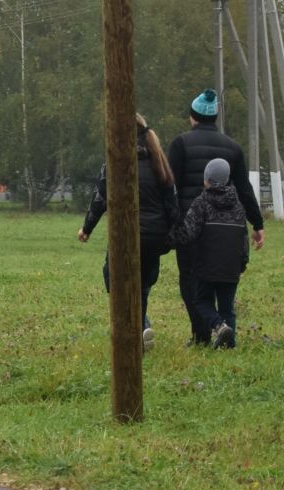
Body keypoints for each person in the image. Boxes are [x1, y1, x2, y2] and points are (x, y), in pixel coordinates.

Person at [167, 89, 265, 345]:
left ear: (192, 117)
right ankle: (223, 330)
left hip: (191, 228)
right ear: (215, 118)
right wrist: (258, 223)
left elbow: (169, 186)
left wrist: (170, 222)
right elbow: (244, 189)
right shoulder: (232, 148)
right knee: (222, 283)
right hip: (225, 229)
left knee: (191, 281)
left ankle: (201, 334)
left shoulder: (180, 144)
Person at [78, 114, 179, 350]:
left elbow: (100, 198)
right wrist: (175, 234)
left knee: (113, 277)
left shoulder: (115, 162)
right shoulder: (159, 161)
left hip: (125, 235)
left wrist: (87, 228)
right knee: (142, 286)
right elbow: (172, 201)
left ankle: (137, 329)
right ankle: (141, 329)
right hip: (154, 238)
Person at [175, 157, 251, 348]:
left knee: (201, 300)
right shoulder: (238, 206)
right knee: (228, 307)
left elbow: (188, 233)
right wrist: (243, 262)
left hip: (206, 266)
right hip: (231, 267)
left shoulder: (201, 203)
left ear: (206, 179)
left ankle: (218, 325)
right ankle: (229, 345)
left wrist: (172, 235)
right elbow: (244, 238)